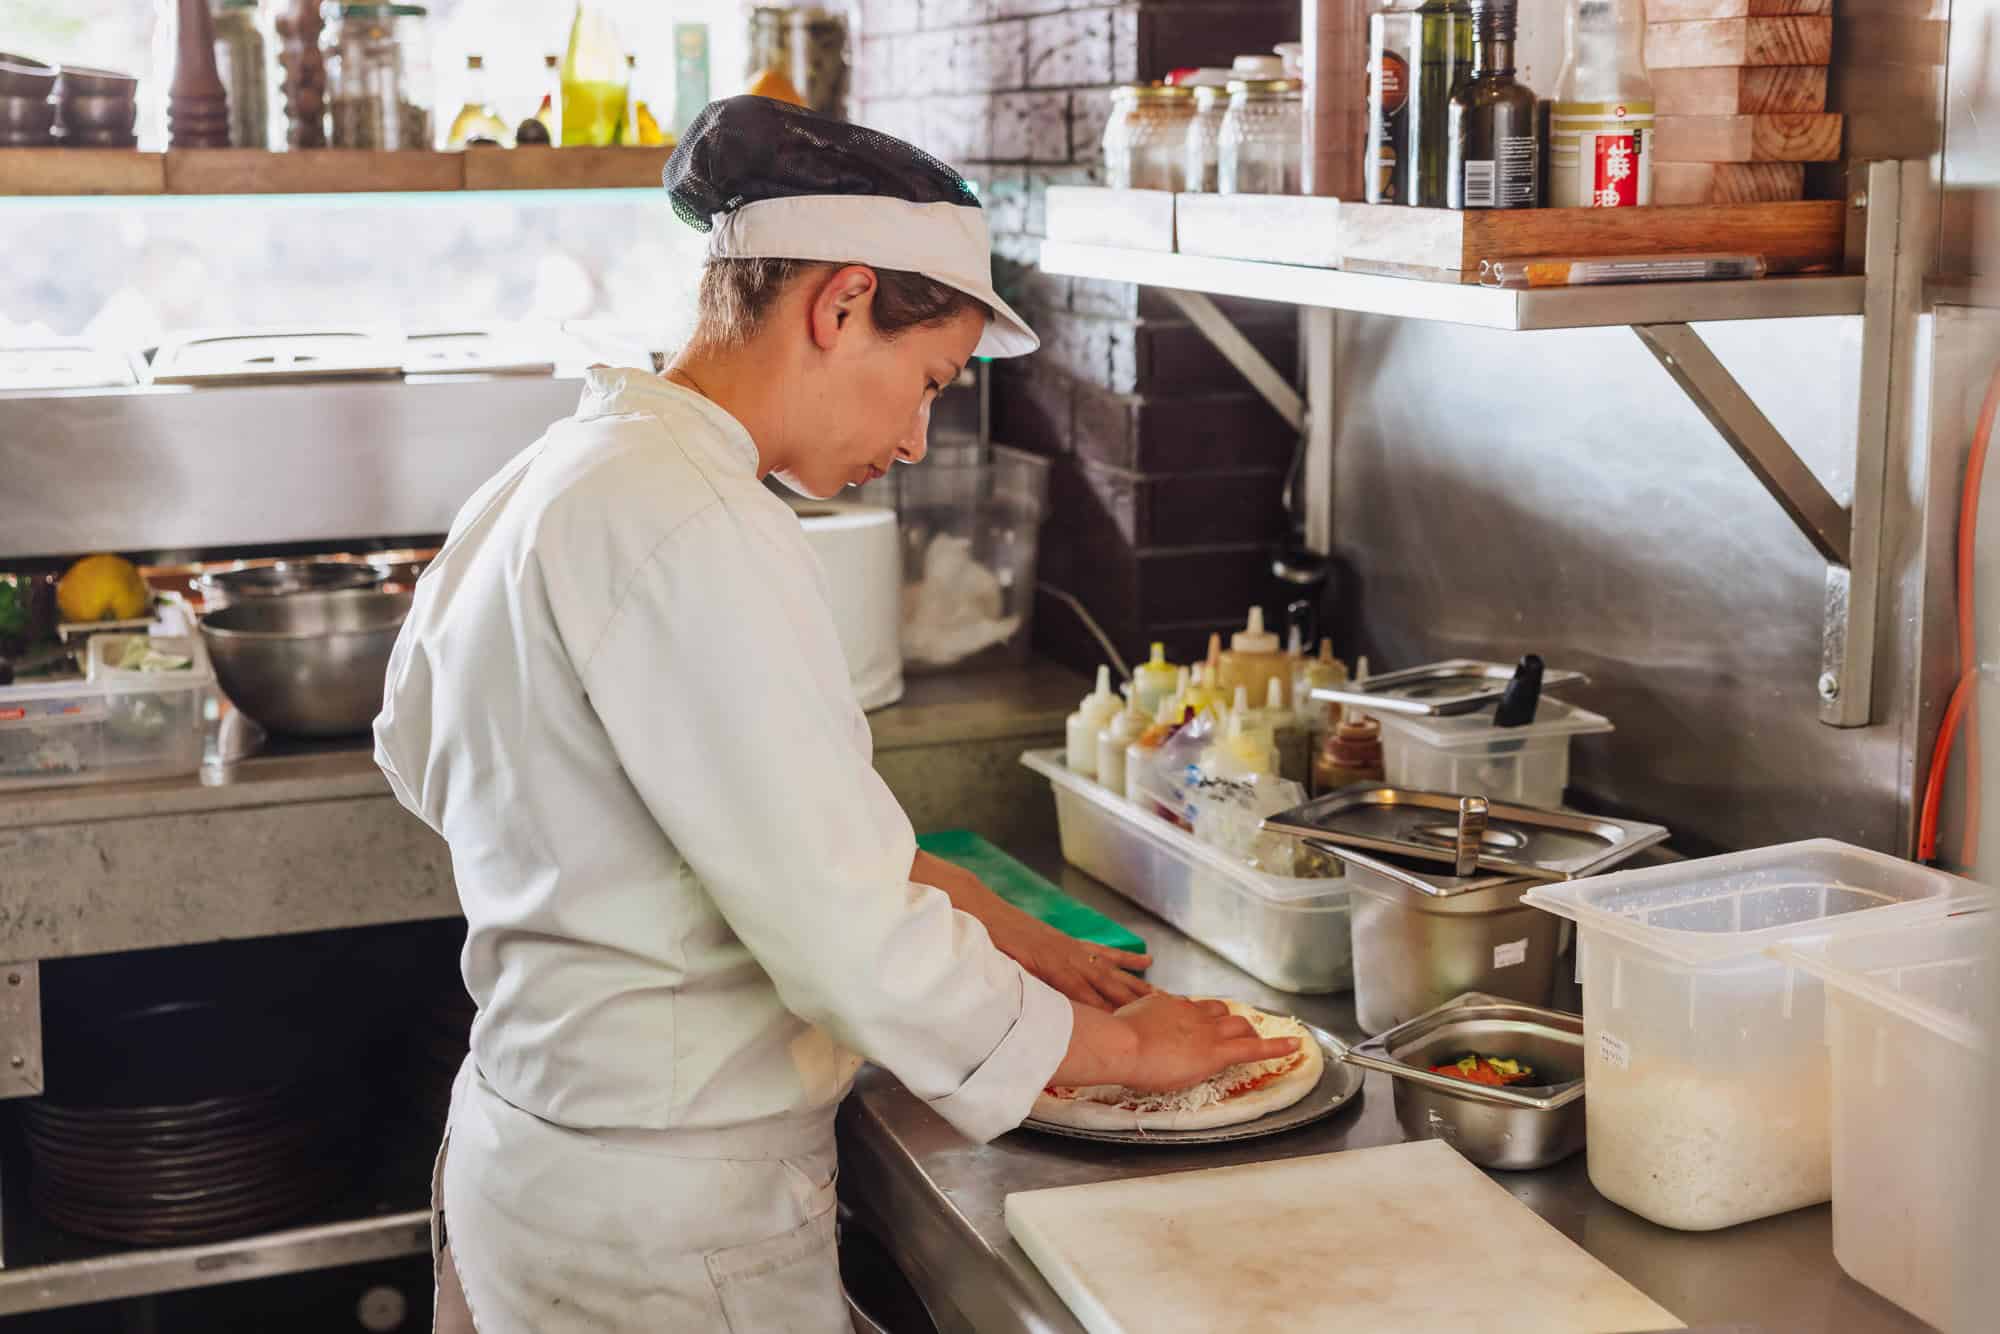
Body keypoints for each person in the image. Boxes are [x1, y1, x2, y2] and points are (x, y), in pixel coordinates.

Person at [373, 96, 1297, 1333]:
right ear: (841, 301)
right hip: (665, 1221)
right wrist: (1128, 1050)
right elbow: (845, 941)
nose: (917, 436)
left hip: (537, 1161)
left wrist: (1003, 924)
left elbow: (439, 760)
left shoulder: (569, 469)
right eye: (926, 381)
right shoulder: (697, 525)